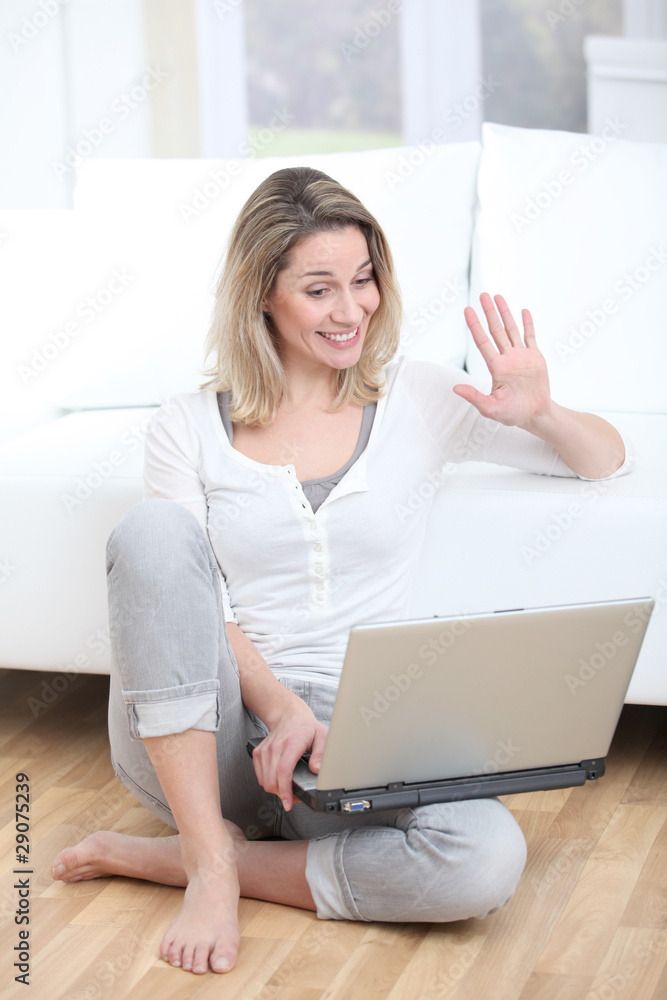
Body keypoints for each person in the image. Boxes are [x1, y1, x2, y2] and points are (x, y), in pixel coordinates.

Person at [50, 166, 631, 976]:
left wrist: (541, 412)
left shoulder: (418, 396)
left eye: (363, 280)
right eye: (319, 289)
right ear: (262, 293)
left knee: (483, 856)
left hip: (345, 738)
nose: (351, 309)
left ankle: (194, 859)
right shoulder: (185, 426)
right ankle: (207, 858)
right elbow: (194, 603)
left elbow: (602, 460)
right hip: (204, 734)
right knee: (152, 531)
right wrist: (280, 707)